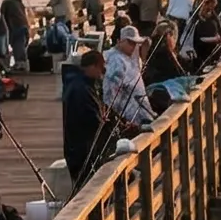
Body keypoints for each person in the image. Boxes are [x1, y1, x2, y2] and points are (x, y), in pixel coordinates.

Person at [61, 48, 106, 181]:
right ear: (92, 67)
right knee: (86, 183)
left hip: (79, 149)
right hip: (81, 151)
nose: (102, 73)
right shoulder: (81, 89)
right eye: (101, 68)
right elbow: (93, 120)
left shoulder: (81, 84)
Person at [104, 24, 156, 129]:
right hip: (128, 117)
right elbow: (110, 95)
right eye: (130, 43)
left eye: (136, 43)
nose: (134, 47)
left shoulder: (131, 57)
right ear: (120, 41)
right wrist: (120, 119)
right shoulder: (115, 61)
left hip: (141, 113)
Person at [0, 0, 31, 73]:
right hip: (25, 26)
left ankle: (20, 64)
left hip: (16, 27)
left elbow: (2, 17)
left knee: (17, 45)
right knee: (21, 45)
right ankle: (23, 63)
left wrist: (4, 30)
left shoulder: (5, 2)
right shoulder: (19, 2)